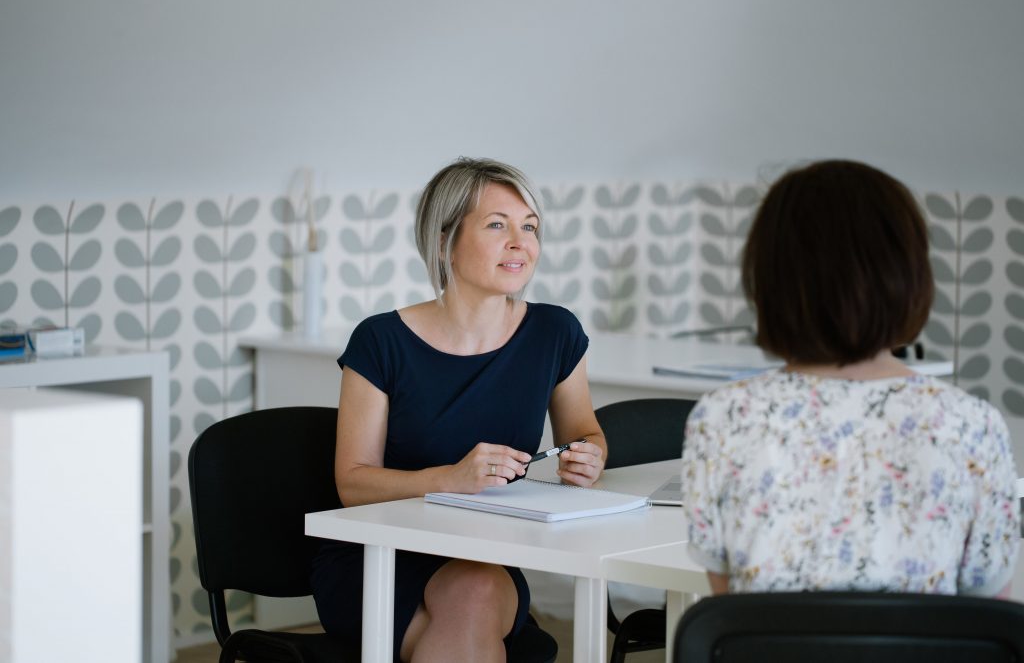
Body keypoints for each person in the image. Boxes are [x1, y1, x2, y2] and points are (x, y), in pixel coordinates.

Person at [311, 157, 608, 662]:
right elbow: (353, 482)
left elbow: (586, 433)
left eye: (530, 227)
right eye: (498, 225)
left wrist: (591, 457)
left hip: (485, 554)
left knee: (474, 589)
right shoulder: (381, 341)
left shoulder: (554, 332)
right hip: (380, 553)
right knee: (470, 611)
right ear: (445, 242)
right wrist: (451, 477)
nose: (521, 242)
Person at [681, 159, 1020, 598]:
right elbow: (988, 618)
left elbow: (730, 611)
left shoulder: (722, 417)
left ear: (767, 280)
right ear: (910, 277)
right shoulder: (973, 424)